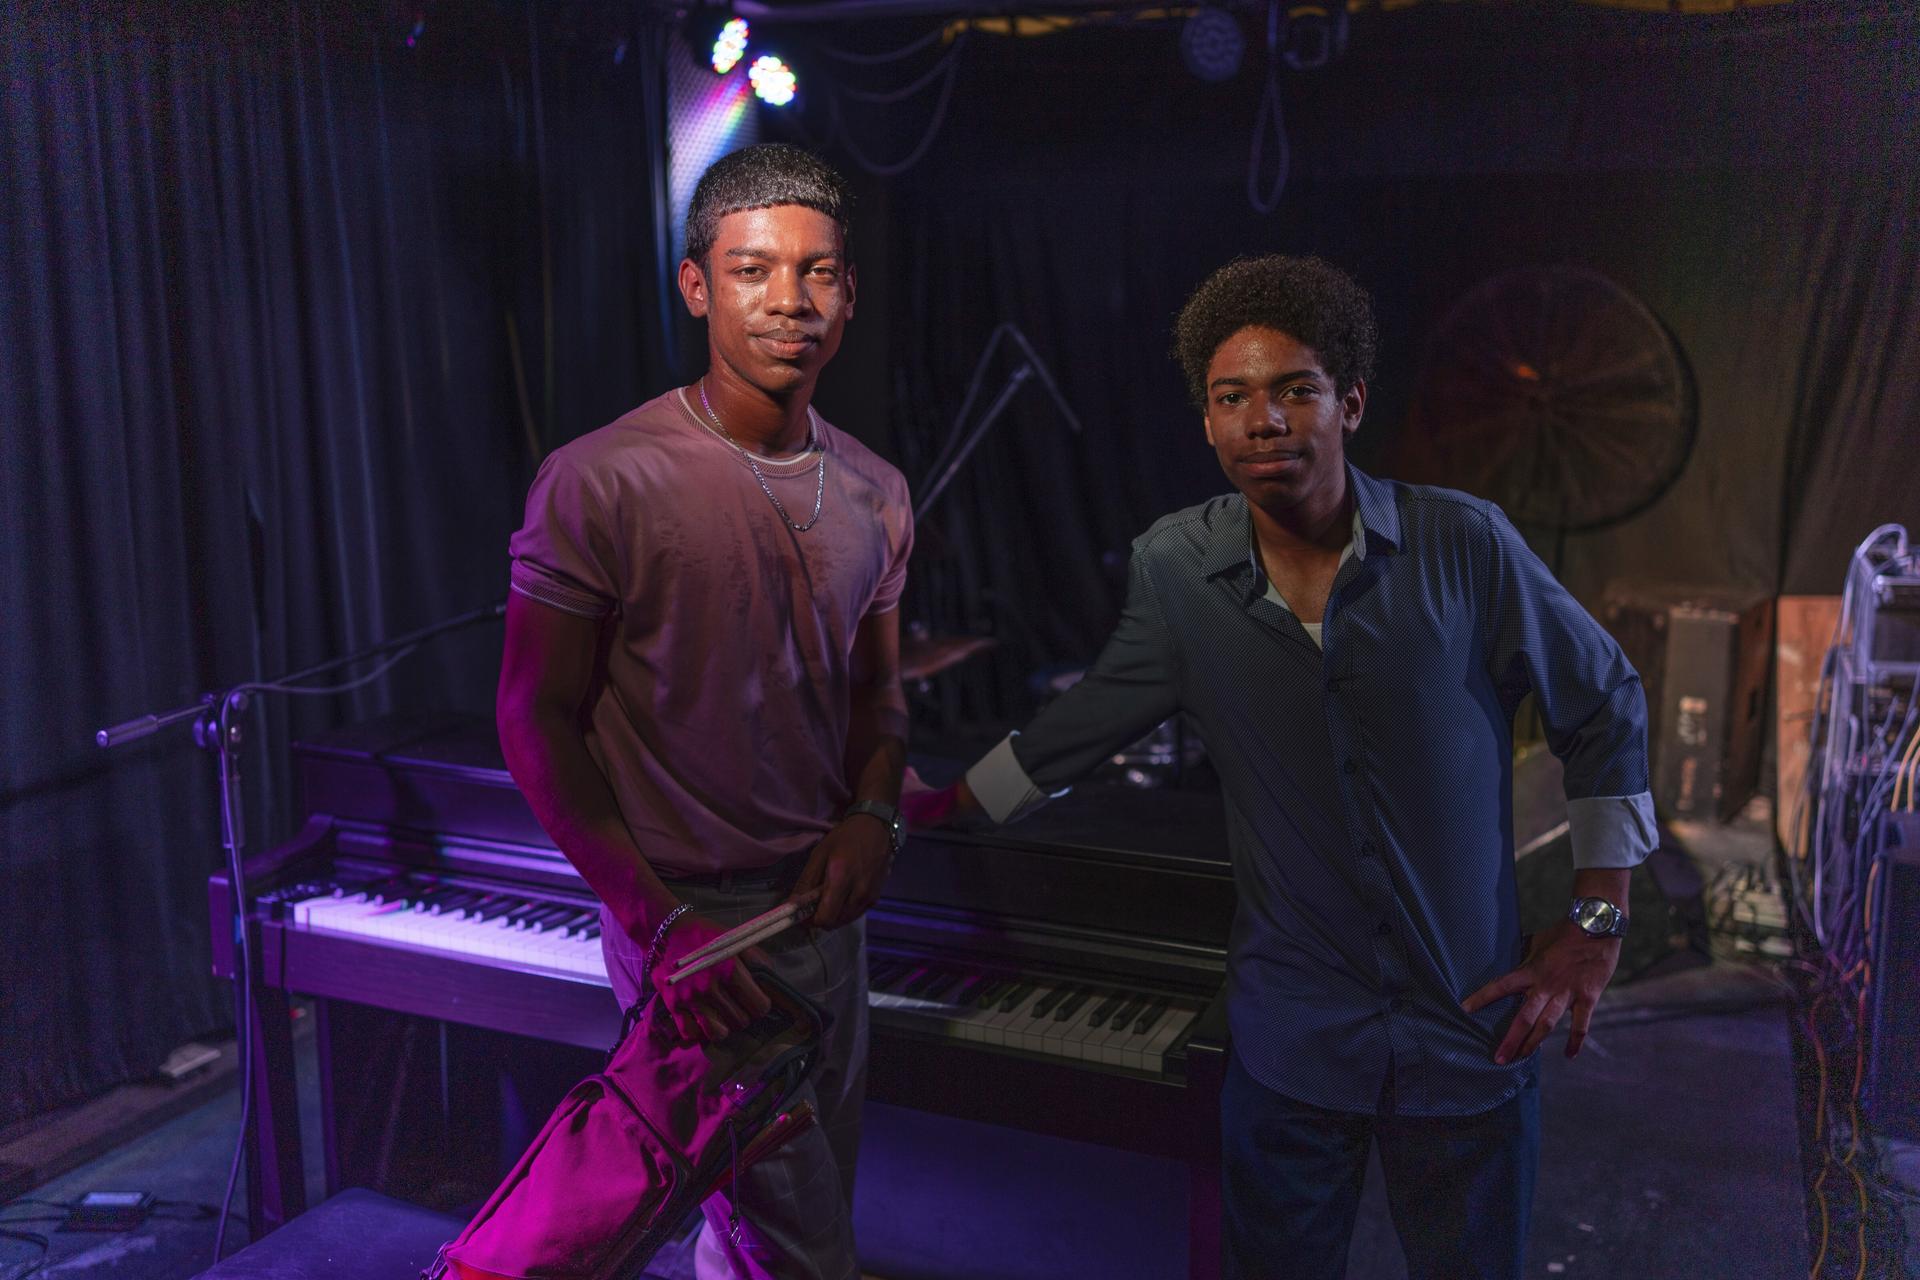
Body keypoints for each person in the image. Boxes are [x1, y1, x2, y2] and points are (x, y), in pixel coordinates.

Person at [915, 255, 1656, 1280]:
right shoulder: (1177, 567)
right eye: (1233, 397)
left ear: (1349, 403)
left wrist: (1597, 923)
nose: (1262, 419)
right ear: (1206, 423)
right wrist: (949, 799)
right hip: (1293, 1045)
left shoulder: (1464, 544)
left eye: (1294, 389)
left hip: (1466, 1034)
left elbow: (1605, 700)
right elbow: (1084, 723)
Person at [496, 143, 912, 1280]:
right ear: (696, 287)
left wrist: (874, 814)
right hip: (693, 926)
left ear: (850, 292)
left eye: (818, 272)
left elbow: (877, 695)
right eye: (752, 269)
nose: (791, 299)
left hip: (824, 918)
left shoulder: (876, 489)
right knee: (803, 1252)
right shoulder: (601, 478)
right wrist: (659, 921)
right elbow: (533, 718)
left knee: (772, 1230)